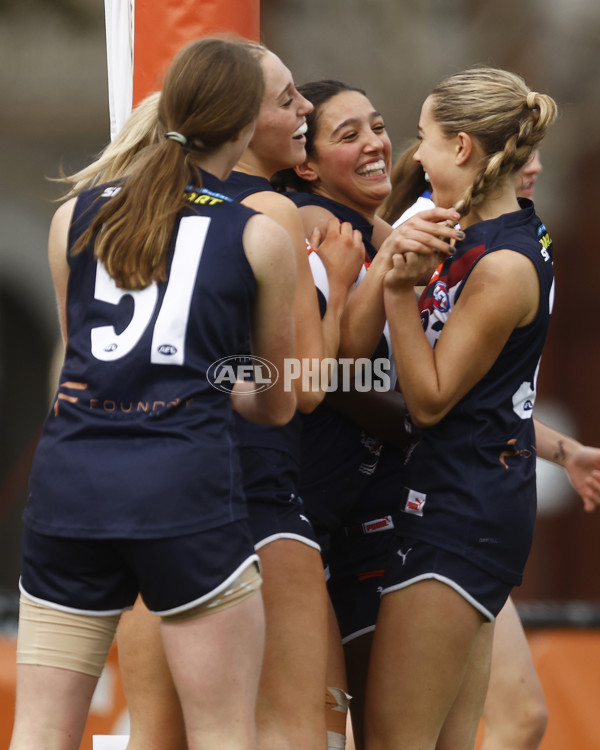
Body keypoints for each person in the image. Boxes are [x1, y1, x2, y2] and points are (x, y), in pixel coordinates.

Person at [9, 37, 299, 750]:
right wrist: (229, 392)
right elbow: (279, 399)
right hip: (183, 489)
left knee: (40, 730)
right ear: (241, 126)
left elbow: (74, 362)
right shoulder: (259, 234)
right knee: (223, 732)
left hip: (71, 482)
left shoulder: (71, 216)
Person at [110, 46, 366, 750]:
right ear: (238, 122)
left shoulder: (150, 207)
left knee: (157, 735)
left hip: (149, 489)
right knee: (291, 732)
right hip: (253, 486)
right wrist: (339, 287)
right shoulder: (269, 215)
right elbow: (304, 390)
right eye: (288, 101)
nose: (304, 110)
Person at [362, 65, 560, 750]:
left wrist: (394, 293)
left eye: (422, 137)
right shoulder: (472, 229)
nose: (413, 154)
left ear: (464, 147)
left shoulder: (503, 263)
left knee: (393, 739)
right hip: (466, 494)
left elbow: (433, 397)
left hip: (460, 505)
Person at [273, 78, 461, 749]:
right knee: (317, 730)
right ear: (305, 160)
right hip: (293, 514)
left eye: (378, 126)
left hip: (382, 513)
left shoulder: (381, 234)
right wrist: (418, 418)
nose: (377, 143)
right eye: (347, 134)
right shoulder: (298, 226)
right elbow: (323, 377)